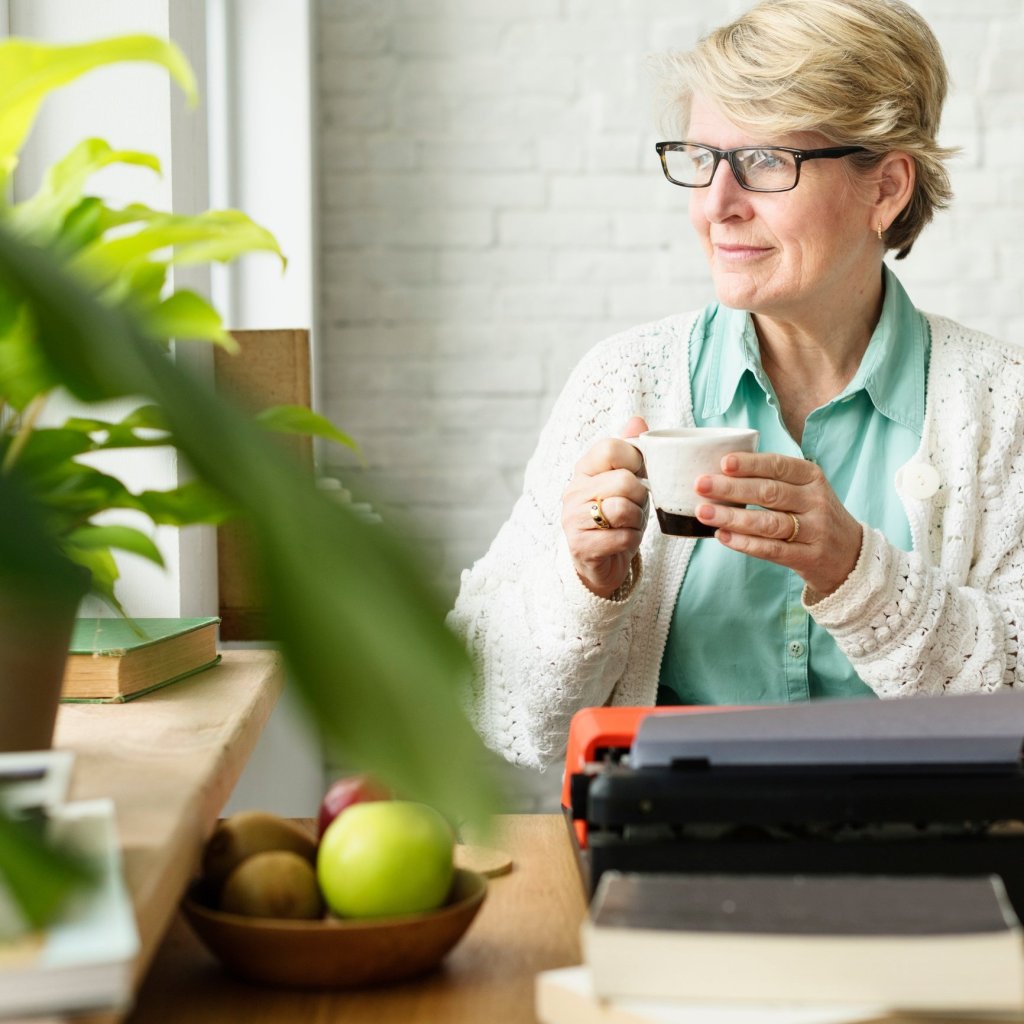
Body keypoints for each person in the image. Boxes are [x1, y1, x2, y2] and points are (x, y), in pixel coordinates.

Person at [448, 0, 1024, 772]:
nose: (716, 206)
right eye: (701, 159)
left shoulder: (998, 405)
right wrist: (584, 582)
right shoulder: (625, 382)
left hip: (923, 855)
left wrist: (856, 572)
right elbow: (491, 701)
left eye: (763, 162)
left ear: (884, 189)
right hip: (668, 847)